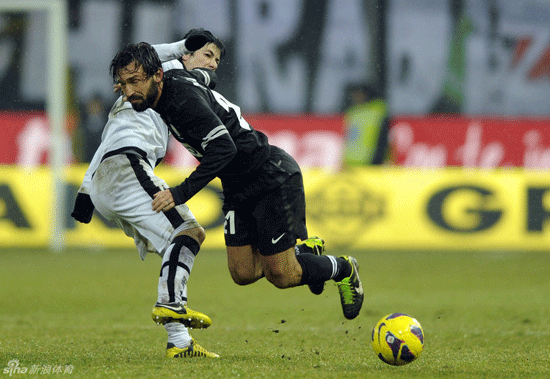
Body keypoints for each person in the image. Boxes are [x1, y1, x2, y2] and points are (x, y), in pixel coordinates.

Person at [109, 42, 365, 321]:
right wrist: (131, 90)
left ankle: (342, 268)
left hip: (269, 176)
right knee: (243, 273)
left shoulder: (182, 101)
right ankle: (303, 252)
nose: (129, 91)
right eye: (123, 84)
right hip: (236, 185)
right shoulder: (171, 83)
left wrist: (179, 193)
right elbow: (208, 77)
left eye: (135, 81)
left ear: (157, 74)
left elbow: (224, 147)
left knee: (281, 274)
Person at [71, 29, 225, 358]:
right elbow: (150, 53)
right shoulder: (157, 77)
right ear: (182, 57)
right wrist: (185, 46)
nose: (211, 63)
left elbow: (103, 147)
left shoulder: (133, 93)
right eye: (205, 54)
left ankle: (179, 342)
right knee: (189, 233)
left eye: (216, 58)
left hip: (109, 178)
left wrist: (85, 194)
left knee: (174, 252)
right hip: (129, 168)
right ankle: (169, 305)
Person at [342, 83, 390, 167]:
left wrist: (381, 158)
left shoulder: (377, 110)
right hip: (351, 162)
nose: (355, 97)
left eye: (358, 93)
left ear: (366, 94)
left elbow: (383, 138)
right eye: (353, 94)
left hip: (371, 161)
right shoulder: (352, 112)